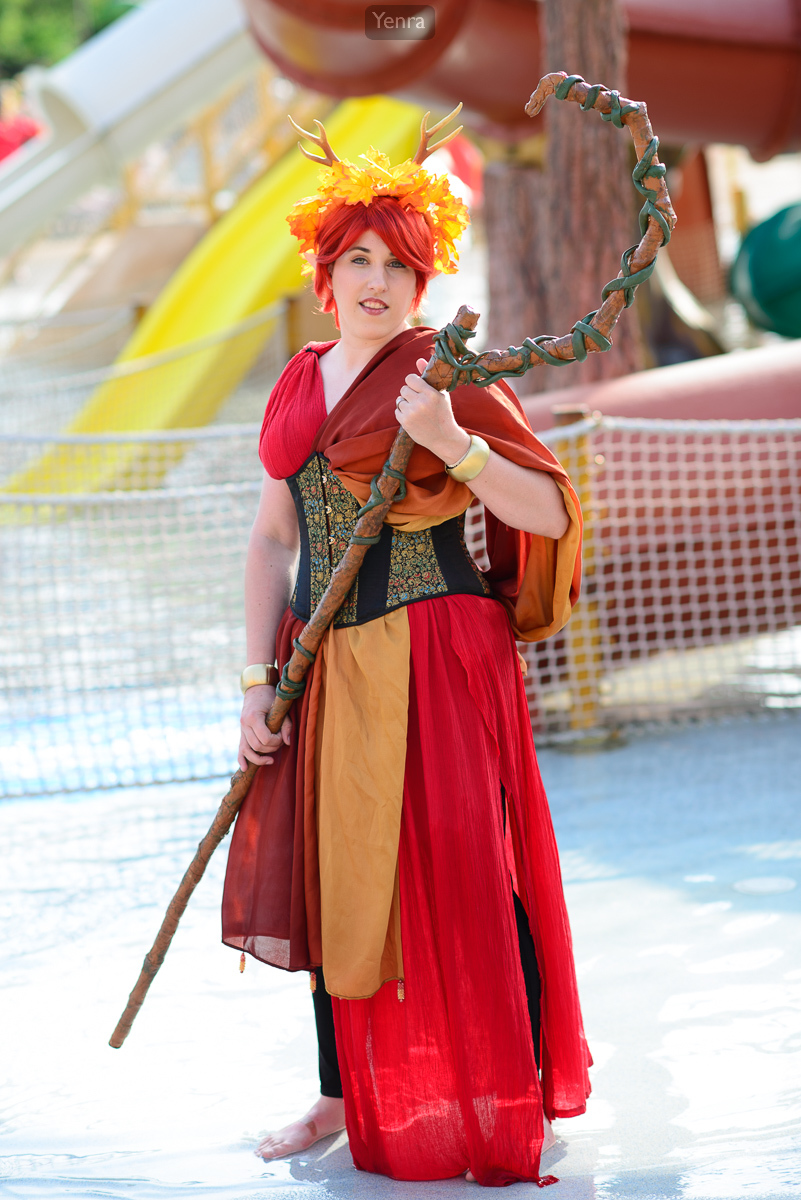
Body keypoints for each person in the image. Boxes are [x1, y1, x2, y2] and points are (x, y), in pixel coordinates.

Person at [221, 124, 592, 1187]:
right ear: (325, 273)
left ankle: (515, 1078)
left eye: (396, 262)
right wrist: (256, 684)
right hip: (325, 667)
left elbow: (549, 513)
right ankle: (340, 1095)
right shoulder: (296, 383)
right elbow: (272, 538)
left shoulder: (446, 374)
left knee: (470, 860)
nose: (376, 281)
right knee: (333, 873)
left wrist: (455, 446)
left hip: (440, 652)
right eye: (357, 260)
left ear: (424, 277)